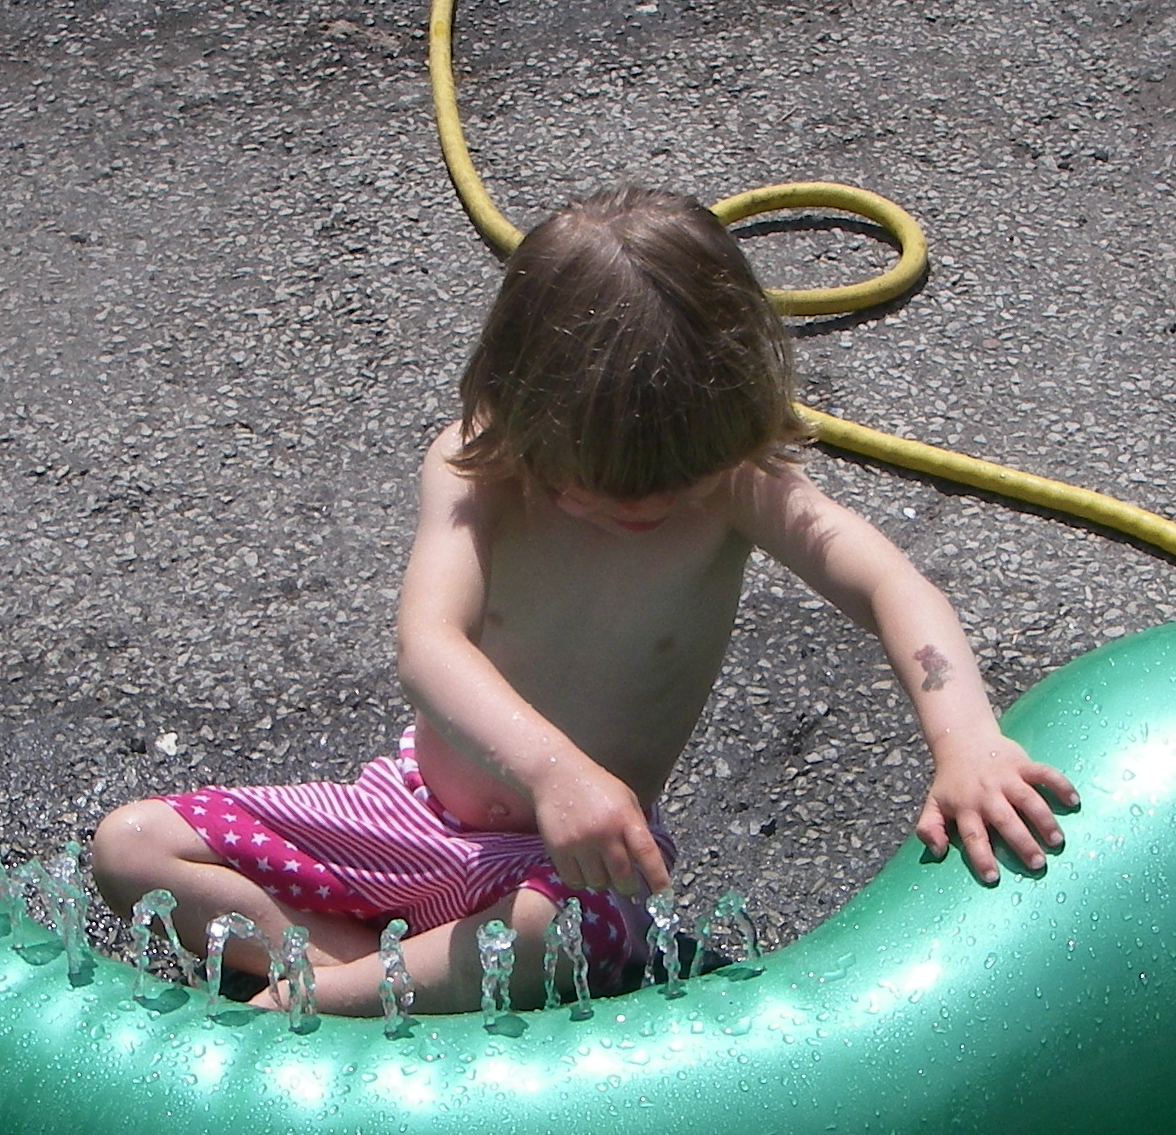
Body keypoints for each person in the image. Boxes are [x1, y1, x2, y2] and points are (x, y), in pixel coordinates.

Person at [91, 185, 1077, 1016]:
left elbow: (891, 583)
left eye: (673, 487)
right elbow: (428, 645)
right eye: (591, 487)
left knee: (562, 930)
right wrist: (555, 771)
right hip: (408, 814)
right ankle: (370, 982)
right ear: (522, 409)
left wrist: (966, 740)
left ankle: (329, 996)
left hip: (575, 871)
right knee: (131, 850)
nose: (638, 510)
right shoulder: (475, 466)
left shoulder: (742, 485)